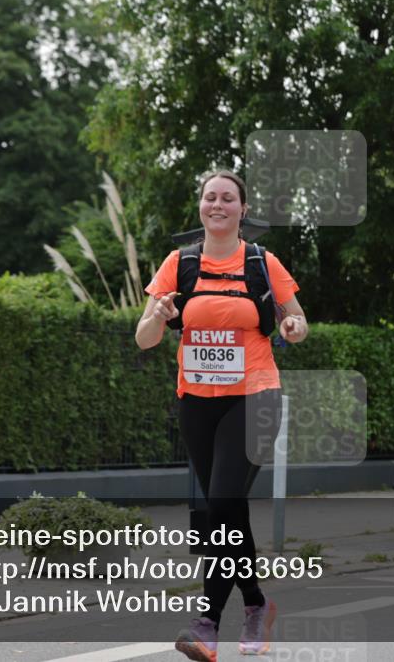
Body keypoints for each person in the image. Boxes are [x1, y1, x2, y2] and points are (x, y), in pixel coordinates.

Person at [136, 170, 307, 661]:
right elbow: (144, 339)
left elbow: (297, 322)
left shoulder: (261, 262)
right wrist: (156, 316)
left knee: (220, 504)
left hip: (255, 396)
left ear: (242, 209)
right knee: (224, 509)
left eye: (227, 198)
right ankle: (256, 604)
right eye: (210, 196)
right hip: (196, 400)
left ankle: (207, 622)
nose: (218, 204)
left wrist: (292, 325)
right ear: (200, 207)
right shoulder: (179, 264)